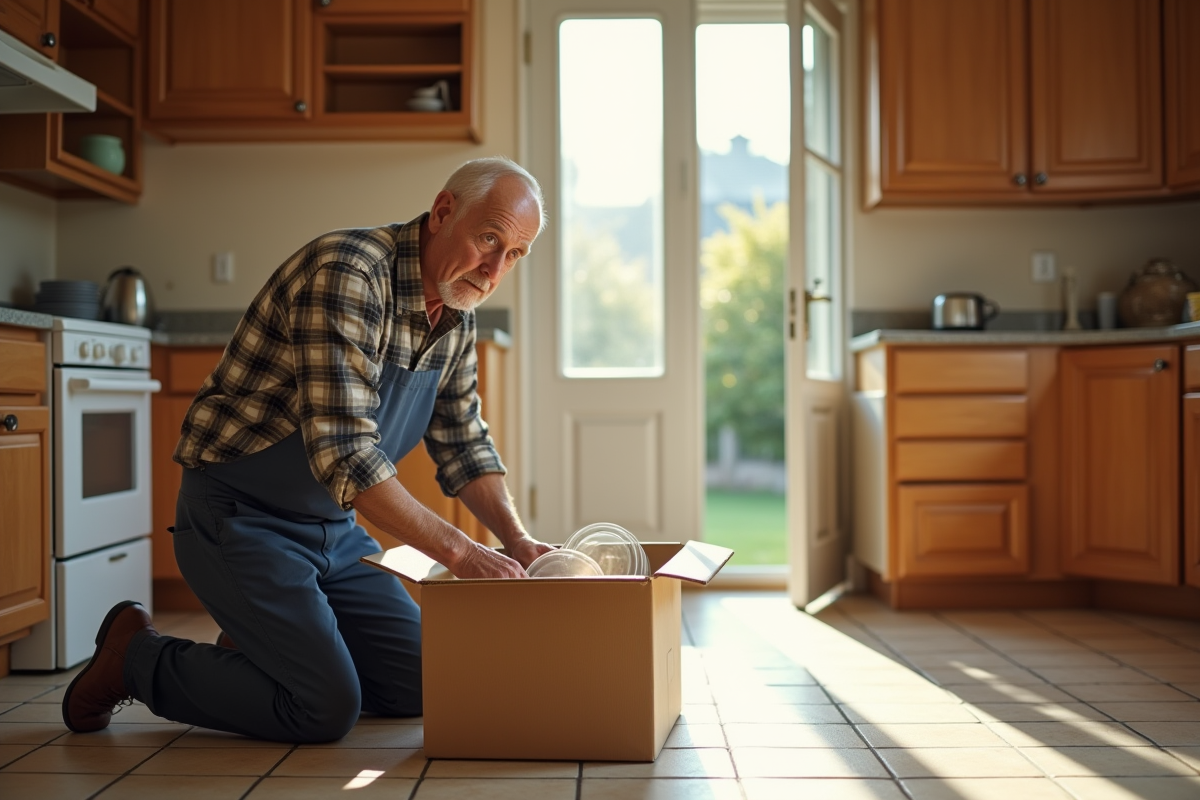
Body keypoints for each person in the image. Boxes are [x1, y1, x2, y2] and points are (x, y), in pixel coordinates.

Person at [62, 157, 553, 743]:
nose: (494, 268)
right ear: (444, 211)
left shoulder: (456, 317)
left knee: (423, 683)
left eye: (514, 254)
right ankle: (134, 659)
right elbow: (346, 451)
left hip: (336, 530)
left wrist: (518, 540)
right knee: (323, 709)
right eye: (489, 238)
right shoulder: (348, 272)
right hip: (242, 519)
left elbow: (464, 443)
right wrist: (465, 555)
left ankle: (263, 644)